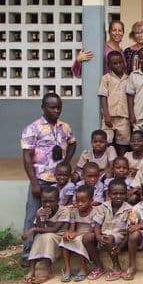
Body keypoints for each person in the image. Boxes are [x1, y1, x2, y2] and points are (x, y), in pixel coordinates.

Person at [20, 93, 76, 266]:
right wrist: (34, 183)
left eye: (59, 107)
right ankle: (27, 255)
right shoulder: (32, 128)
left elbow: (72, 142)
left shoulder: (64, 127)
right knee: (34, 215)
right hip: (42, 180)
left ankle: (55, 251)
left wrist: (66, 163)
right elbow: (27, 157)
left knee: (61, 216)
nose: (56, 110)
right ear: (43, 107)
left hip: (60, 182)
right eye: (52, 107)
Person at [83, 179, 133, 281]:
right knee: (87, 237)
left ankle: (117, 267)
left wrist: (121, 246)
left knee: (108, 238)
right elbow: (97, 225)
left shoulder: (130, 209)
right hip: (103, 235)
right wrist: (97, 236)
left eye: (121, 193)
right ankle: (99, 267)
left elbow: (129, 231)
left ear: (126, 194)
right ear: (109, 194)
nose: (118, 196)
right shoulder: (103, 207)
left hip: (119, 238)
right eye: (115, 194)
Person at [21, 186, 70, 283]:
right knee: (40, 236)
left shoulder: (64, 211)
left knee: (47, 236)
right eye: (44, 201)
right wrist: (38, 217)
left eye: (51, 201)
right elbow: (41, 229)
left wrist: (33, 229)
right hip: (47, 237)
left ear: (58, 200)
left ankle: (48, 272)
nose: (47, 204)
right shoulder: (40, 211)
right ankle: (32, 270)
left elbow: (55, 229)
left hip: (60, 238)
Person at [59, 185, 97, 282]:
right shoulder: (74, 212)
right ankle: (68, 269)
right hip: (77, 234)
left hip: (89, 236)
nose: (79, 204)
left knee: (79, 240)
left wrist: (76, 234)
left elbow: (92, 231)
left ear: (91, 201)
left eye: (83, 201)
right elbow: (72, 229)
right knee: (65, 240)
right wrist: (68, 233)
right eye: (77, 201)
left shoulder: (95, 212)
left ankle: (83, 269)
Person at [98, 51, 130, 154]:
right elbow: (103, 97)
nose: (118, 65)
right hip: (110, 116)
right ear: (109, 65)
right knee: (107, 141)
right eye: (115, 63)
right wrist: (106, 115)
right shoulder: (106, 78)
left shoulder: (128, 78)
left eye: (120, 62)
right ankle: (109, 163)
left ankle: (121, 162)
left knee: (123, 143)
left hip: (124, 116)